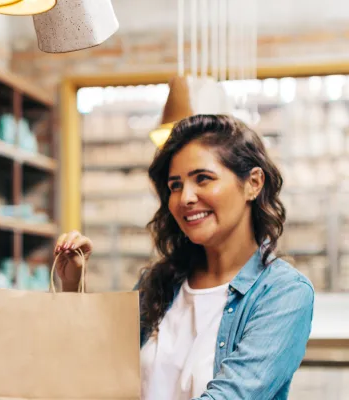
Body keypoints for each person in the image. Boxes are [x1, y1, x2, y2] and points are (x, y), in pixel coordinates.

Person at [53, 114, 314, 400]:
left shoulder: (284, 293)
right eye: (175, 185)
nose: (185, 198)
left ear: (253, 183)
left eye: (203, 178)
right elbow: (102, 371)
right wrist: (72, 285)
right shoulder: (160, 282)